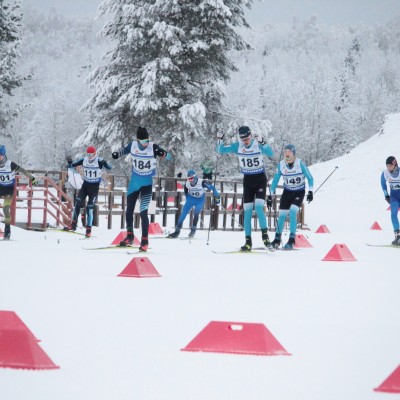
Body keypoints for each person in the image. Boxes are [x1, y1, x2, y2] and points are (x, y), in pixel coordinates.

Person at [112, 126, 171, 251]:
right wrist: (117, 154)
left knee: (143, 212)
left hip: (146, 185)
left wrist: (164, 154)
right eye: (143, 141)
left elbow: (168, 156)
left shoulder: (153, 147)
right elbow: (123, 151)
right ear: (138, 140)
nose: (145, 143)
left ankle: (144, 241)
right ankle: (130, 236)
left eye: (147, 140)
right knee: (129, 210)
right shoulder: (133, 145)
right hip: (134, 183)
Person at [217, 126, 274, 251]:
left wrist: (263, 143)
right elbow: (220, 150)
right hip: (248, 180)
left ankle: (265, 238)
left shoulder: (257, 144)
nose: (246, 142)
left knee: (258, 207)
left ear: (251, 136)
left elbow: (271, 154)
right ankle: (248, 242)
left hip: (260, 179)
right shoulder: (238, 146)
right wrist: (220, 139)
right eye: (243, 139)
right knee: (247, 211)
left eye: (247, 139)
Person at [268, 144, 314, 250]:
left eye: (289, 152)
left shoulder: (300, 163)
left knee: (293, 212)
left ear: (293, 154)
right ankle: (277, 239)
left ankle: (291, 239)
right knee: (282, 215)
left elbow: (310, 178)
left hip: (299, 192)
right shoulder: (281, 165)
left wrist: (310, 191)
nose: (286, 154)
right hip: (287, 192)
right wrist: (270, 195)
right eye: (285, 152)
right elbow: (275, 181)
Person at [64, 146, 112, 238]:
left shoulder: (99, 161)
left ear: (95, 154)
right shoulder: (84, 160)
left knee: (90, 207)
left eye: (91, 155)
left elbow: (109, 167)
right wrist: (70, 162)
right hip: (85, 186)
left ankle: (88, 230)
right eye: (88, 154)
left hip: (94, 188)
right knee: (78, 202)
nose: (90, 156)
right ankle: (73, 225)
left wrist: (105, 163)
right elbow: (71, 166)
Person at [168, 169, 220, 238]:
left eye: (191, 178)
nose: (190, 180)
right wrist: (188, 199)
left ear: (194, 176)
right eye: (188, 178)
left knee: (196, 214)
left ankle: (193, 231)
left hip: (200, 200)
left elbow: (213, 188)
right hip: (191, 199)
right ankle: (177, 231)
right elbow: (186, 192)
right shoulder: (187, 183)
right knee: (183, 214)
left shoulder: (202, 182)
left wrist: (217, 199)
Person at [0, 145, 37, 240]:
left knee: (5, 209)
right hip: (0, 187)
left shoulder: (10, 164)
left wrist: (32, 178)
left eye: (1, 155)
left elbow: (22, 170)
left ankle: (7, 232)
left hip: (9, 189)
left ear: (4, 155)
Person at [380, 156, 400, 245]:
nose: (388, 168)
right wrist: (386, 195)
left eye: (390, 166)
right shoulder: (385, 173)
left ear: (395, 164)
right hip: (394, 197)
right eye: (387, 166)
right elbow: (383, 183)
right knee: (393, 215)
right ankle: (398, 237)